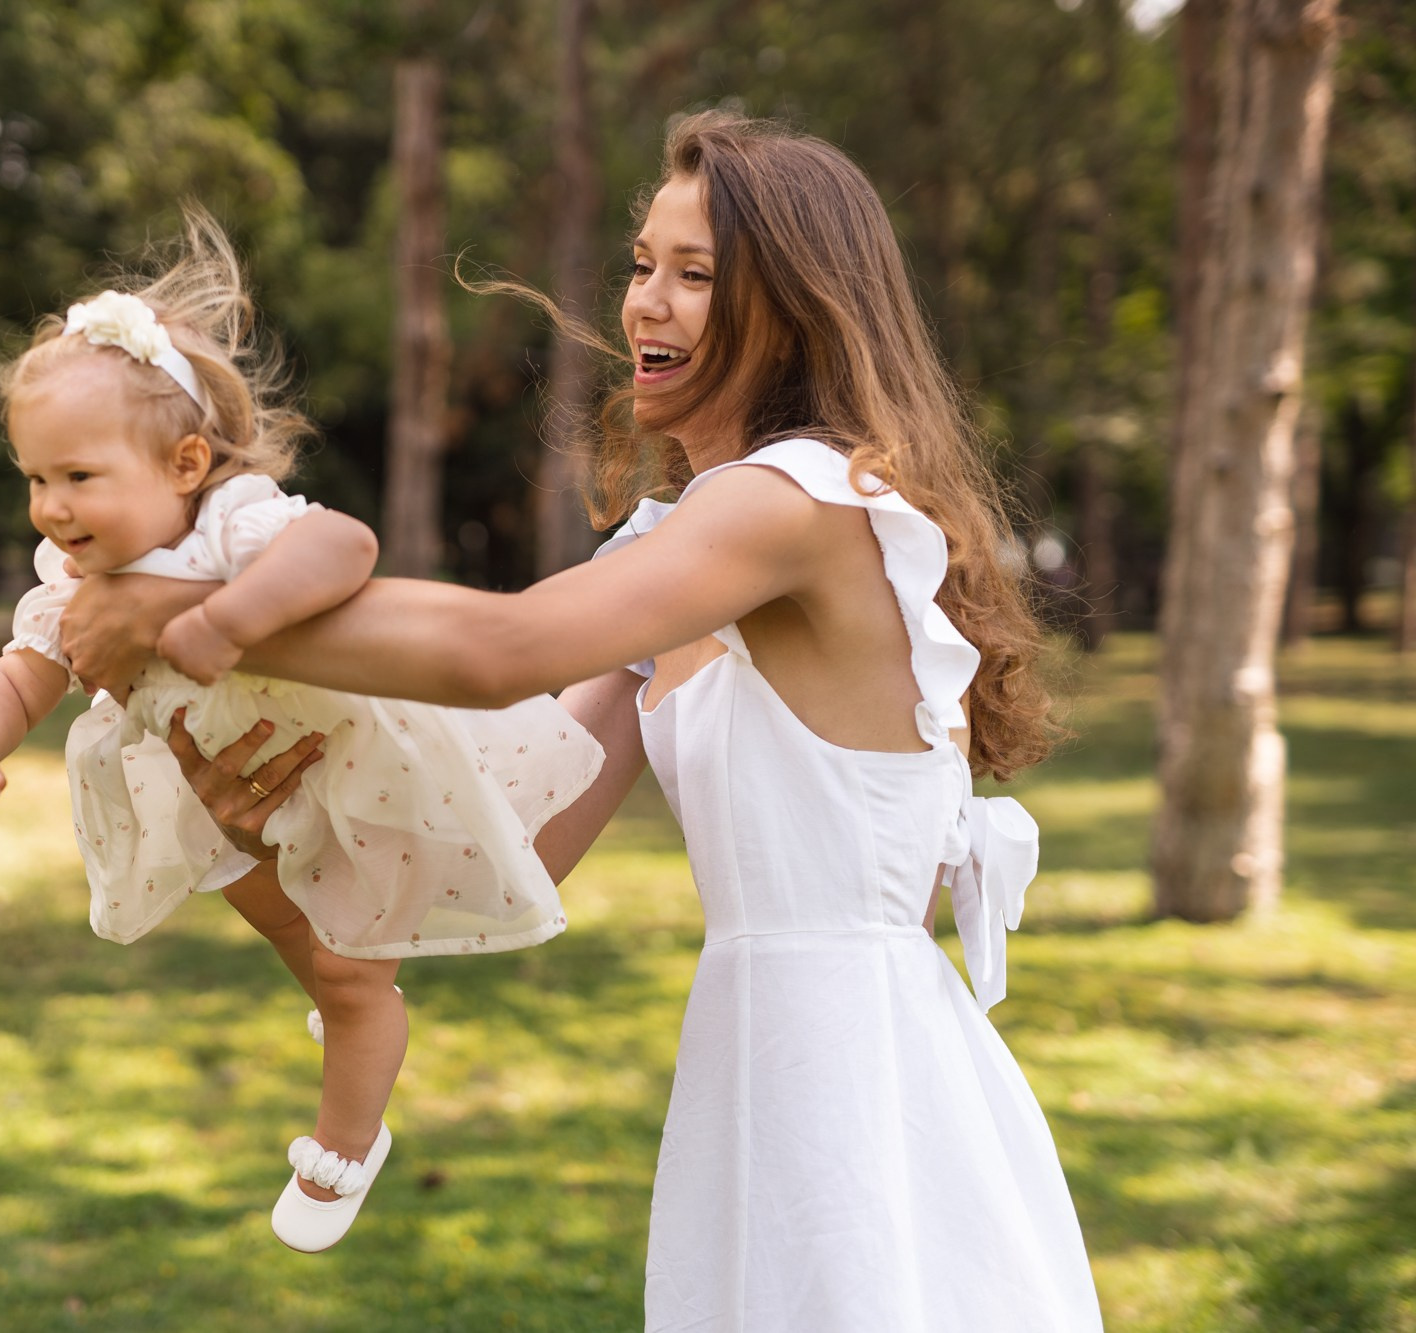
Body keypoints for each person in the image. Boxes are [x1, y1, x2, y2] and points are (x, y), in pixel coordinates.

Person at [57, 114, 1104, 1330]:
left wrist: (184, 607)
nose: (646, 304)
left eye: (696, 274)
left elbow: (503, 650)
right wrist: (257, 828)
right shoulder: (678, 536)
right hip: (757, 1060)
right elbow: (505, 839)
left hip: (861, 1082)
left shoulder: (798, 502)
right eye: (641, 264)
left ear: (796, 305)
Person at [0, 215, 604, 1253]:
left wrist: (226, 616)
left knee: (350, 973)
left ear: (186, 460)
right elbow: (18, 677)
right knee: (310, 954)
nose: (50, 508)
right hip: (213, 813)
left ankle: (346, 1139)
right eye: (35, 479)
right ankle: (348, 1032)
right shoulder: (66, 587)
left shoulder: (230, 523)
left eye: (77, 476)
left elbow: (343, 544)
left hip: (340, 776)